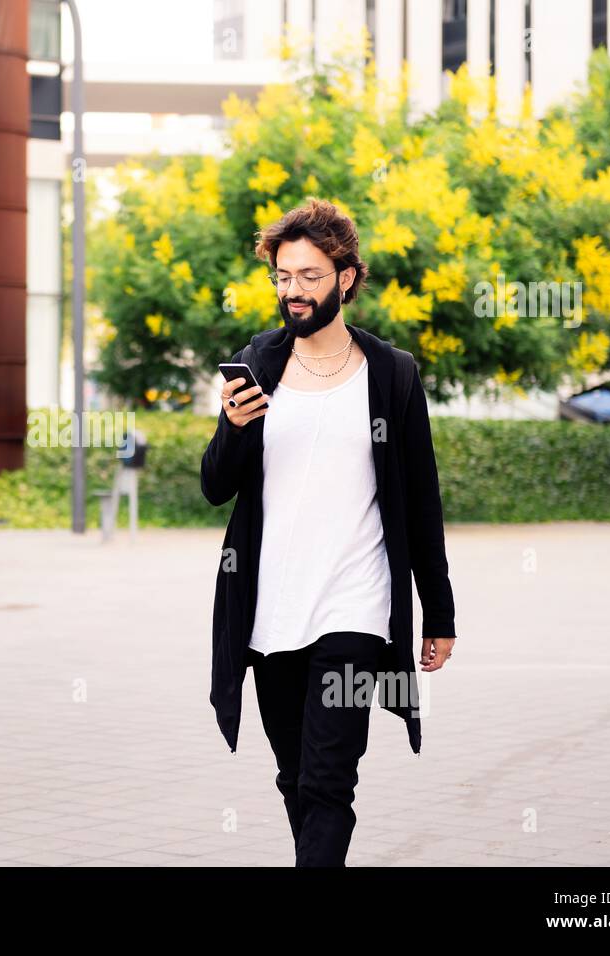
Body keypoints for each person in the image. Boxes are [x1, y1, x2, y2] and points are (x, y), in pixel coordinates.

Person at [201, 199, 458, 866]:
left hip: (356, 604)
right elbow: (214, 486)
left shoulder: (391, 375)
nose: (294, 291)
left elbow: (421, 502)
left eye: (310, 276)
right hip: (272, 608)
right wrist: (231, 429)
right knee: (295, 778)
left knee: (327, 779)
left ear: (346, 278)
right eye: (284, 276)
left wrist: (440, 612)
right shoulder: (255, 365)